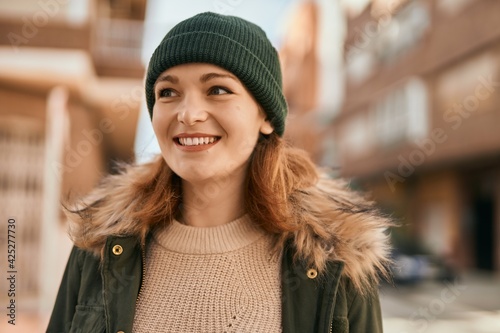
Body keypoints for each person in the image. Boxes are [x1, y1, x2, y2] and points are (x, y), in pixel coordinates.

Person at [47, 12, 392, 333]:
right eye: (168, 92)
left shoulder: (335, 258)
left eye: (218, 90)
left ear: (267, 118)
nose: (188, 113)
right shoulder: (101, 246)